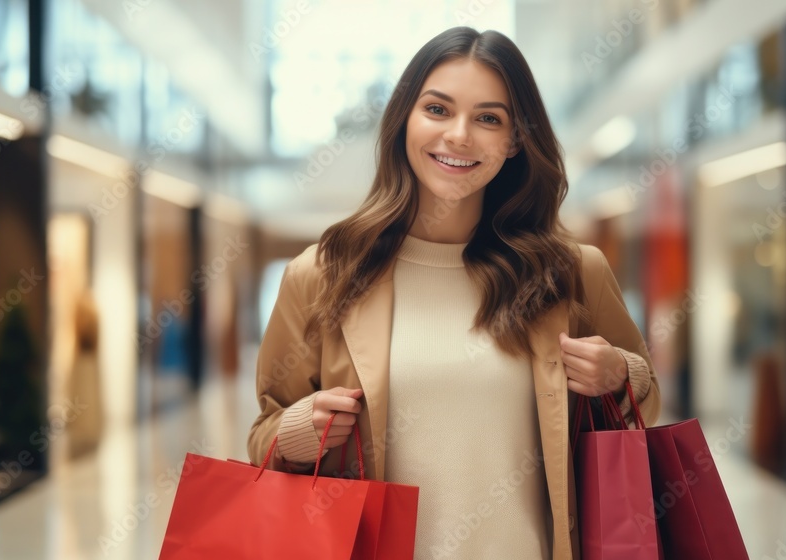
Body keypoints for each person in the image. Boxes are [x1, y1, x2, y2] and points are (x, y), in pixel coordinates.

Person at [248, 26, 661, 560]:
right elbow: (264, 433)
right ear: (405, 122)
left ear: (515, 141)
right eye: (437, 110)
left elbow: (643, 407)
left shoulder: (571, 272)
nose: (459, 135)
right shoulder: (324, 274)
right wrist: (302, 431)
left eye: (489, 118)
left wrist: (623, 373)